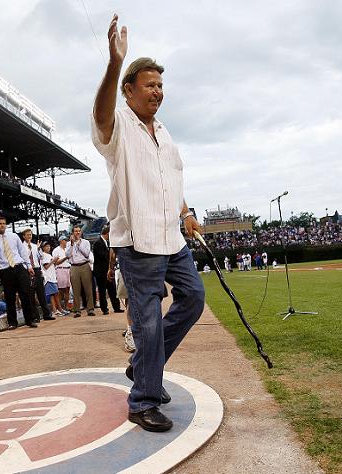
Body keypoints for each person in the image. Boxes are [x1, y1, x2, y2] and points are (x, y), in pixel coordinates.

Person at [92, 14, 205, 432]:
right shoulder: (118, 123)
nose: (158, 91)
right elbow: (100, 114)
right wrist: (113, 63)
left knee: (193, 298)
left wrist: (187, 212)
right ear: (129, 90)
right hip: (137, 241)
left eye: (160, 85)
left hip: (171, 237)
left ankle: (143, 367)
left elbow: (172, 181)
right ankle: (142, 400)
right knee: (148, 322)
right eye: (149, 85)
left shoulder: (166, 133)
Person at [0, 216, 38, 329]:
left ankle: (30, 320)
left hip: (19, 267)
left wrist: (29, 266)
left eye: (4, 223)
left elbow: (22, 252)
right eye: (0, 223)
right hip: (5, 270)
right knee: (9, 297)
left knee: (26, 294)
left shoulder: (14, 236)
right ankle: (12, 323)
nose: (2, 225)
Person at [22, 229, 54, 321]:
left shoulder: (35, 246)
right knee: (31, 294)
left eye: (30, 234)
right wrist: (29, 249)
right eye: (27, 235)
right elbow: (24, 257)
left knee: (41, 293)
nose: (29, 236)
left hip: (37, 269)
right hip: (27, 270)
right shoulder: (21, 246)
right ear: (24, 236)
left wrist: (39, 249)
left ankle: (46, 314)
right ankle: (35, 316)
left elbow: (41, 257)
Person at [92, 225, 123, 315]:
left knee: (113, 290)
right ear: (108, 233)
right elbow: (103, 256)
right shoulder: (98, 243)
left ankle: (116, 307)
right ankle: (104, 309)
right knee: (102, 291)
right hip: (101, 272)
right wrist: (111, 252)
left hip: (109, 271)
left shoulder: (108, 243)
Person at [65, 225, 95, 318]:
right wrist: (72, 244)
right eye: (76, 231)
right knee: (75, 290)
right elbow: (67, 255)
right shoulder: (68, 244)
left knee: (88, 289)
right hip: (74, 267)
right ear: (73, 233)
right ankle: (77, 310)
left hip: (85, 265)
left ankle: (90, 309)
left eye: (79, 231)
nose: (77, 232)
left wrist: (78, 244)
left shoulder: (86, 242)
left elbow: (86, 254)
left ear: (81, 232)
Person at [40, 242, 63, 317]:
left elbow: (53, 264)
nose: (48, 247)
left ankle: (57, 310)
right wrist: (53, 260)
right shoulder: (43, 255)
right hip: (48, 278)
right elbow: (46, 266)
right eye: (46, 246)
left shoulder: (49, 255)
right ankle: (55, 310)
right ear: (43, 248)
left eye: (49, 246)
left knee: (54, 294)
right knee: (54, 294)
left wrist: (55, 260)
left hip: (52, 277)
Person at [52, 236, 71, 315]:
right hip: (60, 269)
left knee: (67, 289)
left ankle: (66, 307)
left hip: (68, 269)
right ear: (61, 241)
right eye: (65, 240)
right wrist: (65, 258)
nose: (66, 241)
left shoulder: (67, 249)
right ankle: (59, 308)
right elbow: (55, 262)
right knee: (60, 291)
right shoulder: (56, 250)